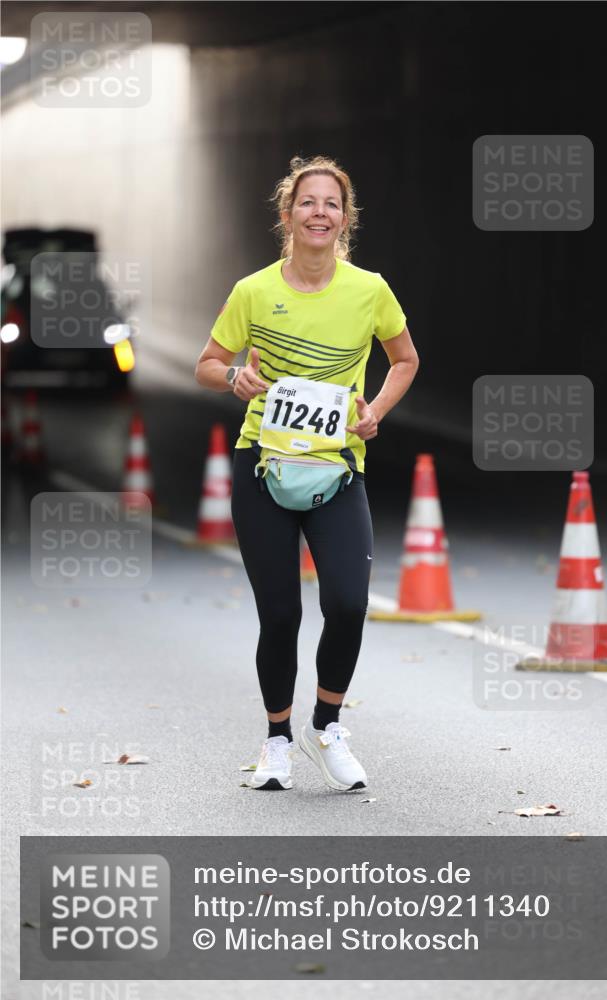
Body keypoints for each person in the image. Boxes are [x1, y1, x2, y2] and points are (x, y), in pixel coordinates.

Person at [195, 155, 418, 792]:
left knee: (348, 602)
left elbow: (404, 359)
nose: (319, 213)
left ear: (344, 219)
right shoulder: (254, 291)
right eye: (307, 202)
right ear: (287, 215)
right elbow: (207, 363)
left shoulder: (369, 289)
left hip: (338, 469)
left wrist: (373, 410)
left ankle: (327, 726)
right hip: (262, 467)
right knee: (282, 614)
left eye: (331, 204)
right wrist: (234, 376)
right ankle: (275, 742)